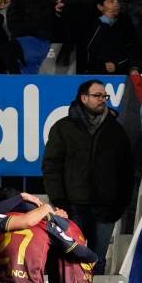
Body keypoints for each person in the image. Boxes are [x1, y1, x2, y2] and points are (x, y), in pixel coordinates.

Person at [42, 80, 134, 269]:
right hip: (74, 207)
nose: (103, 100)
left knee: (97, 262)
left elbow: (127, 170)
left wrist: (120, 204)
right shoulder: (63, 128)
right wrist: (59, 201)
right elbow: (52, 166)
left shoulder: (116, 130)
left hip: (107, 209)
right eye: (97, 95)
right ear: (84, 98)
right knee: (74, 260)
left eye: (104, 96)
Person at [81, 0, 133, 75]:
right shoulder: (90, 23)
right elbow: (89, 49)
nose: (116, 4)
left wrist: (116, 64)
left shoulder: (125, 23)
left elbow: (131, 50)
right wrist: (105, 23)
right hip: (94, 73)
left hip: (119, 73)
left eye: (117, 1)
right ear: (100, 7)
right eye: (111, 1)